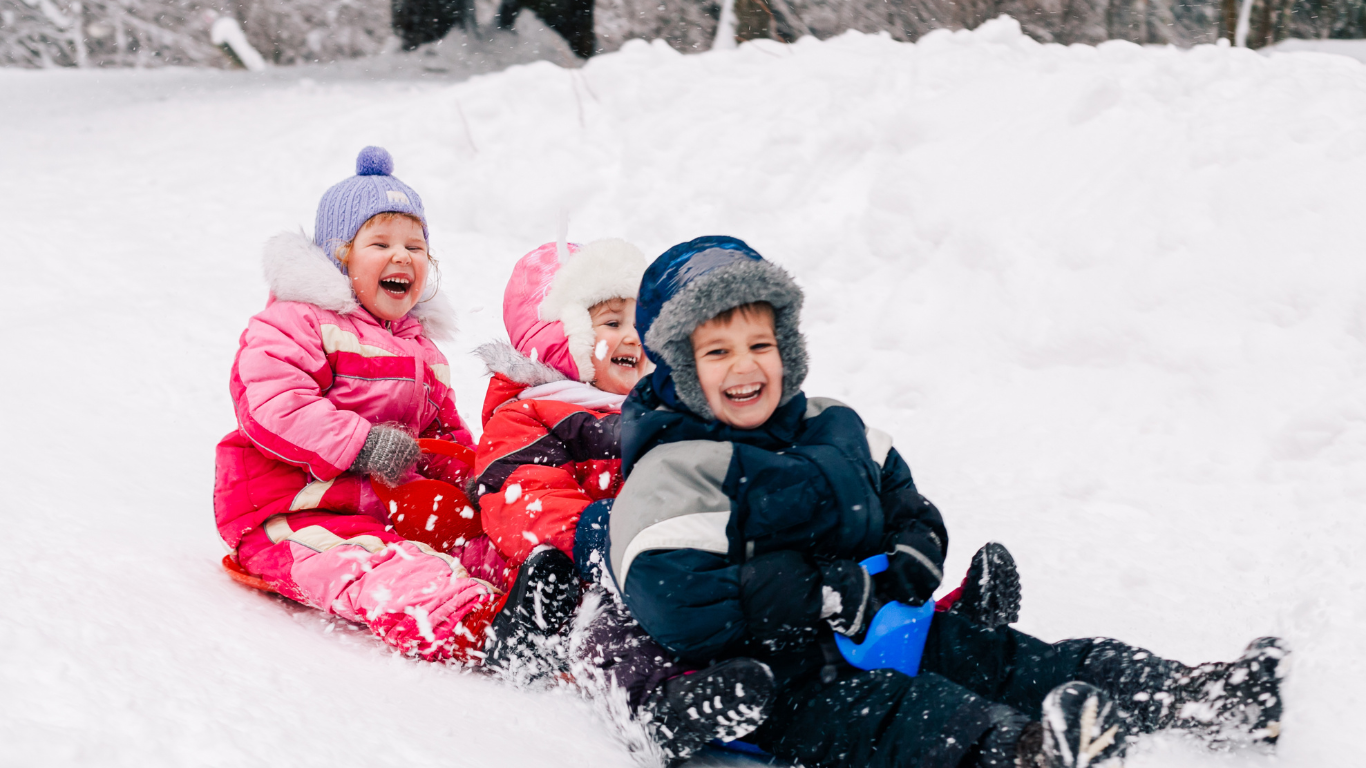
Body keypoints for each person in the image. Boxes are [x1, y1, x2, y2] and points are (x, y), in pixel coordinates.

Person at [608, 236, 1286, 768]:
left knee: (1018, 659)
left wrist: (915, 547)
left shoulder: (835, 424)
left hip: (894, 626)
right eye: (717, 351)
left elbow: (907, 501)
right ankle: (1027, 755)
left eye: (761, 343)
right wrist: (814, 590)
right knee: (914, 717)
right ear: (679, 369)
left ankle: (1197, 696)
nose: (746, 366)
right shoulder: (674, 469)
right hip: (789, 677)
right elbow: (675, 599)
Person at [213, 147, 575, 665]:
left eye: (416, 246)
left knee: (480, 542)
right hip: (295, 512)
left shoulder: (420, 348)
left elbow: (443, 433)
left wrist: (475, 478)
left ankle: (558, 606)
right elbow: (274, 404)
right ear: (340, 256)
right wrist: (360, 443)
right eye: (380, 242)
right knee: (383, 569)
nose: (402, 256)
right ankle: (485, 629)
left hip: (390, 506)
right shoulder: (297, 321)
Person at [469, 240, 778, 762]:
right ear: (560, 338)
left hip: (682, 554)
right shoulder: (530, 412)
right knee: (607, 632)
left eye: (640, 320)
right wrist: (595, 533)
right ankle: (657, 708)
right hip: (595, 569)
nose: (631, 334)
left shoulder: (669, 410)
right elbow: (520, 495)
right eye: (610, 322)